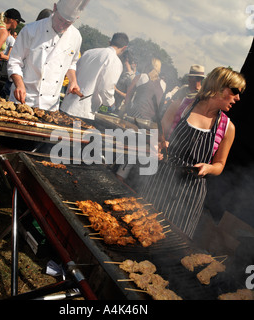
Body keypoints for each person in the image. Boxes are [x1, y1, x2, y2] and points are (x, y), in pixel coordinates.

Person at [139, 67, 246, 239]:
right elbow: (158, 138)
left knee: (172, 242)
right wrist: (159, 146)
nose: (238, 98)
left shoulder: (227, 128)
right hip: (161, 180)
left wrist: (208, 168)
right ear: (218, 86)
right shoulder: (180, 107)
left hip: (191, 192)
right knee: (139, 228)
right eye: (235, 91)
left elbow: (220, 165)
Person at [7, 0, 90, 111]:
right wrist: (19, 84)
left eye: (67, 23)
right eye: (60, 19)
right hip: (24, 98)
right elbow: (14, 61)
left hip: (50, 105)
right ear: (55, 8)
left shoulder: (76, 37)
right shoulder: (31, 30)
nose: (62, 25)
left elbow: (71, 63)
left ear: (76, 19)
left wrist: (73, 81)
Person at [60, 32, 129, 119]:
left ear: (109, 42)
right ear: (124, 48)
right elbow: (105, 88)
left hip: (66, 105)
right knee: (75, 133)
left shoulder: (89, 52)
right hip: (84, 111)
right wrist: (111, 104)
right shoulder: (115, 61)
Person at [120, 56, 165, 121]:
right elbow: (161, 105)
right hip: (150, 121)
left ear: (148, 65)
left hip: (135, 116)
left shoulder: (142, 76)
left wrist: (126, 111)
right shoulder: (163, 84)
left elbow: (128, 96)